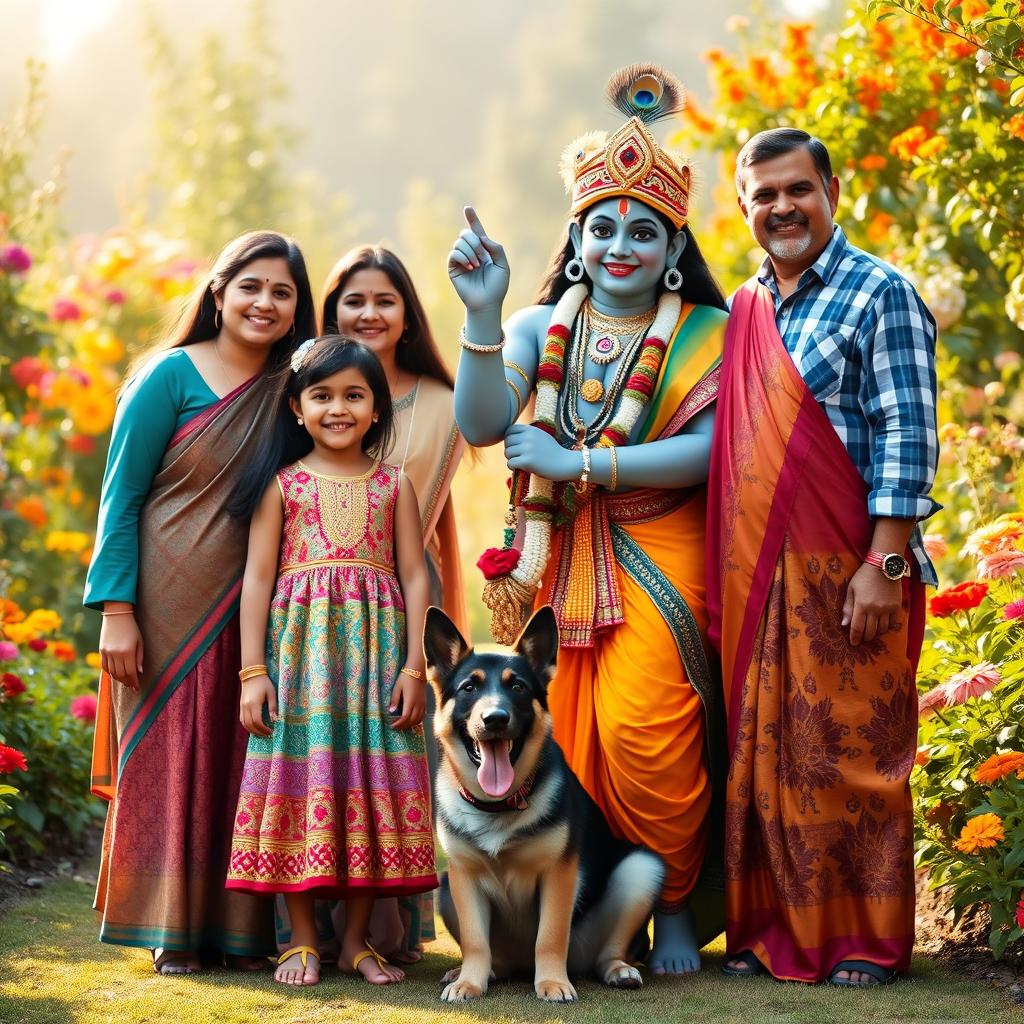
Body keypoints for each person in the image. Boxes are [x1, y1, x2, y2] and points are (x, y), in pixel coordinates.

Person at [446, 65, 728, 976]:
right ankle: (598, 917)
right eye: (601, 227)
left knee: (652, 732)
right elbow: (483, 422)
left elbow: (712, 450)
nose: (620, 245)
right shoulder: (537, 324)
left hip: (662, 542)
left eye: (642, 232)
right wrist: (484, 315)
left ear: (672, 246)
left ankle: (675, 905)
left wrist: (583, 464)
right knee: (564, 733)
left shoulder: (710, 334)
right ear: (576, 237)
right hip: (558, 554)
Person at [706, 127, 938, 986]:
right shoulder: (746, 308)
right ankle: (771, 933)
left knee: (852, 756)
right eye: (762, 195)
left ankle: (863, 942)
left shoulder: (882, 293)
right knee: (771, 753)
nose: (781, 208)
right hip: (763, 573)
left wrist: (885, 565)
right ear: (743, 206)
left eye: (796, 189)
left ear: (831, 188)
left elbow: (909, 433)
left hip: (852, 568)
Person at [85, 231, 317, 975]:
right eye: (251, 285)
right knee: (168, 757)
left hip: (256, 607)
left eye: (282, 292)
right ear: (219, 290)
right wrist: (116, 610)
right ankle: (171, 930)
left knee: (243, 757)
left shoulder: (295, 388)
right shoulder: (168, 376)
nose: (265, 302)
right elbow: (119, 498)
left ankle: (240, 931)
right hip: (161, 603)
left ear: (296, 309)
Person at [224, 336, 437, 987]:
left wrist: (413, 667)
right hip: (299, 668)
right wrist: (253, 673)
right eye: (321, 395)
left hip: (375, 666)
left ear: (377, 409)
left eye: (354, 395)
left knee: (369, 786)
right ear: (297, 407)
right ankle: (304, 939)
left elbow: (415, 577)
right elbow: (257, 579)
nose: (337, 408)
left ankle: (355, 941)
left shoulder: (393, 484)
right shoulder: (282, 487)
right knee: (301, 782)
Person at [320, 245, 465, 960]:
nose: (368, 313)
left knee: (392, 751)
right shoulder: (316, 389)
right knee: (316, 753)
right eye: (354, 300)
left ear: (407, 313)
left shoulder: (444, 403)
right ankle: (306, 924)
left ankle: (387, 928)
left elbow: (440, 524)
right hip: (312, 609)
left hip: (404, 602)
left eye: (384, 300)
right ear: (332, 310)